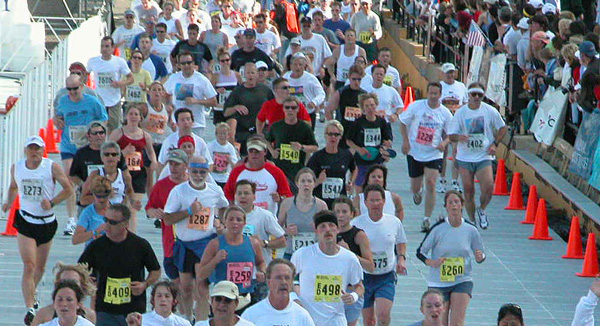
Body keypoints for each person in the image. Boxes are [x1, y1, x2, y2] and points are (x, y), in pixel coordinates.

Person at [2, 136, 73, 326]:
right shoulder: (17, 167)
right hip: (26, 221)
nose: (35, 153)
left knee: (40, 267)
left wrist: (52, 202)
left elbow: (68, 189)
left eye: (38, 149)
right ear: (26, 150)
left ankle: (33, 297)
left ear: (43, 151)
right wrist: (9, 201)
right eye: (31, 149)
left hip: (47, 222)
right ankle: (30, 307)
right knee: (29, 265)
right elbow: (13, 186)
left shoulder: (51, 167)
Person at [164, 156, 229, 322]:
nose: (198, 175)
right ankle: (187, 318)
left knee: (202, 286)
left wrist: (220, 222)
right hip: (185, 244)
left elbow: (224, 207)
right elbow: (168, 219)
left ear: (207, 172)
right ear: (188, 171)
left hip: (205, 243)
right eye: (195, 171)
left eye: (202, 172)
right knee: (185, 287)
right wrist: (188, 211)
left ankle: (201, 322)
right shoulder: (179, 191)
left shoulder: (215, 191)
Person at [78, 203, 161, 326]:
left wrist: (145, 284)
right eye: (105, 220)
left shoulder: (140, 245)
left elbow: (156, 271)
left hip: (133, 309)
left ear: (125, 224)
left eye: (113, 223)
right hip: (105, 310)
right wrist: (87, 281)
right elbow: (80, 269)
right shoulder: (97, 246)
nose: (107, 226)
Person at [416, 190, 486, 326]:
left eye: (456, 202)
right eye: (450, 203)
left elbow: (480, 253)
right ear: (446, 207)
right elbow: (420, 252)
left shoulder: (470, 229)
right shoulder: (438, 228)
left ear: (462, 205)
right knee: (440, 322)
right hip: (439, 282)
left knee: (457, 323)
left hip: (462, 279)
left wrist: (480, 257)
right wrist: (431, 262)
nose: (454, 205)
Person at [448, 83, 507, 229]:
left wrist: (495, 144)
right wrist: (459, 137)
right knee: (468, 190)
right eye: (473, 94)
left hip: (483, 155)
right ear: (468, 95)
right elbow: (451, 135)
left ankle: (482, 209)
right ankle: (472, 221)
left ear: (483, 96)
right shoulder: (461, 113)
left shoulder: (489, 111)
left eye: (479, 95)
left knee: (488, 187)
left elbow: (503, 128)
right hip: (465, 157)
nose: (476, 97)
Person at [54, 75, 108, 235]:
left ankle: (93, 209)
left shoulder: (92, 102)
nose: (72, 92)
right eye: (69, 89)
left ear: (82, 87)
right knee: (70, 178)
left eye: (75, 89)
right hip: (69, 146)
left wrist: (95, 132)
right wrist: (57, 121)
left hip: (88, 147)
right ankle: (71, 220)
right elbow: (57, 118)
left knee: (90, 180)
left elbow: (104, 119)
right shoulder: (63, 101)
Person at [291, 210, 364, 326]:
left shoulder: (349, 258)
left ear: (338, 229)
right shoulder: (301, 255)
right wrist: (294, 298)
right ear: (316, 231)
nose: (327, 230)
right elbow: (288, 281)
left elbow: (359, 286)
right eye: (322, 226)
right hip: (307, 320)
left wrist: (353, 296)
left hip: (336, 320)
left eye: (331, 225)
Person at [399, 82, 452, 232]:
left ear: (440, 95)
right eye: (431, 93)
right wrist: (405, 141)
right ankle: (417, 192)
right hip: (415, 151)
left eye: (436, 94)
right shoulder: (416, 106)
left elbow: (451, 134)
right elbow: (403, 122)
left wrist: (445, 142)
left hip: (434, 153)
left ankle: (426, 219)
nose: (433, 96)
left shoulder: (445, 113)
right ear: (427, 93)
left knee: (431, 183)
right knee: (415, 187)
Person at [352, 183, 407, 326]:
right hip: (364, 277)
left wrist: (401, 259)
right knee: (369, 321)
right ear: (365, 203)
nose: (375, 204)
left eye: (378, 200)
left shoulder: (394, 222)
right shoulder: (356, 224)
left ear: (384, 202)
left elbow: (401, 241)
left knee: (383, 316)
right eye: (372, 200)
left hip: (386, 276)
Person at [196, 205, 267, 304]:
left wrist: (262, 272)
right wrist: (215, 260)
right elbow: (201, 274)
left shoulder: (253, 243)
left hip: (246, 296)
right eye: (231, 219)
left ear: (244, 223)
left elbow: (260, 262)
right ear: (225, 222)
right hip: (222, 298)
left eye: (239, 220)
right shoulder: (215, 244)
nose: (235, 223)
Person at [108, 104, 159, 230]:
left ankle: (131, 236)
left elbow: (151, 151)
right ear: (126, 116)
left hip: (138, 173)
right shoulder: (117, 133)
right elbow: (107, 151)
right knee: (122, 207)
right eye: (131, 114)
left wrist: (153, 162)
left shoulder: (145, 135)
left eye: (136, 114)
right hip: (120, 172)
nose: (133, 117)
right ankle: (120, 232)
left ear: (141, 118)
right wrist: (122, 152)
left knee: (133, 207)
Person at [146, 149, 189, 284]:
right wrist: (153, 212)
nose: (173, 167)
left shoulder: (193, 184)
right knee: (177, 285)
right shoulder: (161, 185)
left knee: (190, 286)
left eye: (177, 164)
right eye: (170, 164)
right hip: (170, 242)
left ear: (186, 165)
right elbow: (149, 208)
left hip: (191, 242)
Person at [332, 197, 374, 326]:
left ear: (352, 214)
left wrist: (350, 253)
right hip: (332, 287)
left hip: (351, 289)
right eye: (337, 212)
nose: (340, 216)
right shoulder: (327, 233)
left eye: (344, 212)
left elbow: (370, 266)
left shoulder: (359, 235)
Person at [224, 137, 293, 215]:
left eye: (257, 151)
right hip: (244, 221)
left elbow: (288, 197)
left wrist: (280, 199)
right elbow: (228, 195)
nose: (254, 154)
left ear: (265, 152)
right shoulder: (237, 172)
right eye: (251, 151)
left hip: (267, 221)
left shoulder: (275, 172)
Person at [241, 259, 315, 325]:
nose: (283, 282)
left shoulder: (302, 316)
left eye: (287, 278)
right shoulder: (250, 315)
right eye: (278, 278)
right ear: (269, 282)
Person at [346, 93, 393, 193]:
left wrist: (386, 146)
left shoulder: (382, 122)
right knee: (360, 188)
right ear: (363, 108)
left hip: (377, 160)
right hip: (361, 160)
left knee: (377, 188)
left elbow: (388, 139)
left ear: (376, 105)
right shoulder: (357, 123)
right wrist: (359, 149)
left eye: (372, 105)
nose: (370, 108)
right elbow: (348, 140)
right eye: (367, 106)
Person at [223, 63, 275, 153]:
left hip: (262, 132)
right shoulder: (238, 91)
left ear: (257, 74)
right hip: (243, 132)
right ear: (244, 75)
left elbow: (274, 108)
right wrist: (236, 107)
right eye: (248, 73)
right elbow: (226, 112)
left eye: (252, 72)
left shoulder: (265, 90)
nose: (250, 75)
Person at [164, 51, 218, 136]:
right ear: (179, 65)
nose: (186, 66)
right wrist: (169, 105)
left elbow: (214, 101)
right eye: (183, 63)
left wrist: (197, 101)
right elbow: (165, 94)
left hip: (196, 125)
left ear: (193, 64)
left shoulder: (201, 79)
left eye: (189, 63)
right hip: (177, 124)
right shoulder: (173, 78)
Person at [266, 97, 319, 184]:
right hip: (279, 167)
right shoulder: (276, 126)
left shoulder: (305, 127)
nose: (290, 110)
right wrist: (272, 151)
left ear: (298, 109)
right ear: (283, 109)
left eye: (293, 108)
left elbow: (315, 147)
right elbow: (267, 140)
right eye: (287, 107)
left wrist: (301, 147)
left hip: (297, 169)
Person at [87, 36, 134, 132]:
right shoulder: (93, 61)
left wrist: (120, 83)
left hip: (114, 100)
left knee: (114, 129)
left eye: (107, 46)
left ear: (112, 48)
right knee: (98, 129)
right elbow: (85, 75)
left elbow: (131, 78)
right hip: (99, 100)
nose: (104, 49)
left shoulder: (119, 61)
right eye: (102, 46)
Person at [234, 180, 286, 267]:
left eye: (246, 193)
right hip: (235, 269)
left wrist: (264, 243)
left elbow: (282, 241)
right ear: (235, 196)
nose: (242, 196)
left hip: (259, 269)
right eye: (239, 193)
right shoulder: (229, 215)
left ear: (254, 197)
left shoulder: (265, 215)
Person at [307, 120, 357, 208]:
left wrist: (351, 182)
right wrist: (319, 180)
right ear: (325, 136)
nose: (333, 137)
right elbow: (307, 178)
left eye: (336, 134)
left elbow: (355, 168)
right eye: (330, 134)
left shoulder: (346, 155)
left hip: (339, 202)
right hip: (320, 201)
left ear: (341, 136)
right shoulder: (317, 157)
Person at [31, 263, 97, 326]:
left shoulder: (89, 315)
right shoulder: (44, 313)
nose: (68, 285)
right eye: (64, 281)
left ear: (82, 285)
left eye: (73, 282)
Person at [79, 142, 137, 211]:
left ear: (118, 158)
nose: (110, 157)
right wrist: (104, 197)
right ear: (102, 158)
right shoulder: (95, 175)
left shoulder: (124, 175)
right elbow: (83, 200)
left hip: (117, 214)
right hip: (99, 214)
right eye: (106, 154)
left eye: (113, 154)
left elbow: (129, 191)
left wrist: (133, 202)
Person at [437, 63, 467, 194]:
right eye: (447, 72)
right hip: (442, 121)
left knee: (456, 151)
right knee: (443, 151)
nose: (450, 75)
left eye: (452, 72)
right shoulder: (439, 86)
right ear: (443, 74)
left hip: (456, 122)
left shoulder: (461, 86)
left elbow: (465, 103)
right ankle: (441, 179)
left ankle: (455, 180)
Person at [325, 64, 367, 149]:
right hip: (344, 130)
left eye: (359, 79)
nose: (356, 82)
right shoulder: (341, 92)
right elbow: (328, 110)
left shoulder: (364, 94)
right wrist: (334, 126)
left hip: (358, 131)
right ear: (349, 77)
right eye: (354, 79)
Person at [283, 53, 326, 128]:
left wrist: (314, 102)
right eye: (295, 64)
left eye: (300, 65)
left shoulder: (311, 78)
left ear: (305, 66)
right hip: (290, 114)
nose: (298, 67)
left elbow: (321, 94)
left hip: (307, 113)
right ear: (291, 66)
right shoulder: (285, 77)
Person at [125, 280, 192, 326]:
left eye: (167, 296)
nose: (163, 299)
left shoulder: (184, 324)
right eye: (159, 296)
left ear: (174, 301)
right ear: (153, 300)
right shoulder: (141, 321)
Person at [72, 175, 112, 246]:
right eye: (98, 196)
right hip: (93, 250)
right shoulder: (87, 212)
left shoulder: (117, 209)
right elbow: (75, 240)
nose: (102, 199)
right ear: (93, 194)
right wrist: (95, 232)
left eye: (104, 196)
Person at [211, 48, 242, 126]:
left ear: (230, 61)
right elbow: (210, 92)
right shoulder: (215, 76)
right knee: (221, 133)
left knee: (231, 134)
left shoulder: (236, 75)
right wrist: (217, 91)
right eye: (222, 61)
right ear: (219, 62)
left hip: (231, 109)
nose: (225, 62)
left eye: (227, 60)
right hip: (219, 108)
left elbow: (242, 89)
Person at [207, 122, 240, 187]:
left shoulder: (230, 148)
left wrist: (230, 161)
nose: (222, 136)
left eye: (224, 133)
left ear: (228, 135)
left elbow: (235, 166)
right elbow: (207, 162)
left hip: (225, 178)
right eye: (220, 133)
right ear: (216, 134)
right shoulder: (210, 146)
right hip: (213, 178)